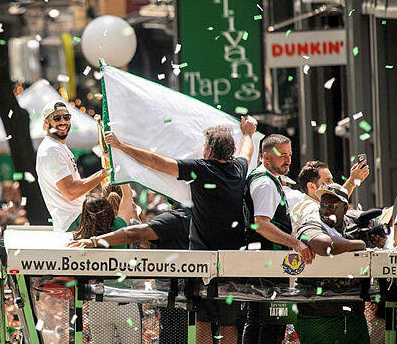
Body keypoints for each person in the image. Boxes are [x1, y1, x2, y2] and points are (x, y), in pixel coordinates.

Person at [104, 117, 257, 344]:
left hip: (201, 262)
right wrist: (248, 134)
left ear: (208, 150)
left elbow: (156, 161)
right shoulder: (238, 168)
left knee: (203, 320)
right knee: (228, 323)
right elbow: (247, 152)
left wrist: (120, 146)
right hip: (232, 260)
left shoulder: (200, 169)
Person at [242, 134, 313, 344]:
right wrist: (297, 243)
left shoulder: (263, 177)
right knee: (273, 323)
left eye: (289, 155)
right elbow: (261, 224)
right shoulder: (265, 183)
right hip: (269, 264)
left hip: (265, 263)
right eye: (282, 155)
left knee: (259, 320)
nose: (288, 160)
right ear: (266, 156)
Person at [292, 184, 385, 343]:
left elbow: (378, 225)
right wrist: (361, 244)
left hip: (352, 312)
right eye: (322, 205)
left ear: (345, 209)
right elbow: (325, 246)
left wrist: (378, 237)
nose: (326, 210)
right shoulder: (311, 222)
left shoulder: (354, 222)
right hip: (317, 313)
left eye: (332, 206)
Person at [70, 191, 141, 343]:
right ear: (108, 208)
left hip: (97, 302)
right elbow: (127, 197)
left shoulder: (81, 236)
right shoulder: (118, 227)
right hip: (125, 300)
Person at [35, 101, 109, 231]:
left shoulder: (58, 147)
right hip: (73, 221)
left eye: (66, 117)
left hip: (76, 219)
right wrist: (104, 174)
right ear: (46, 123)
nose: (63, 122)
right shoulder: (52, 150)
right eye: (57, 118)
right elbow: (70, 192)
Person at [290, 160, 369, 233]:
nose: (332, 184)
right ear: (311, 186)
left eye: (332, 180)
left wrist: (352, 182)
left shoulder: (314, 205)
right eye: (327, 181)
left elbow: (337, 199)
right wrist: (351, 182)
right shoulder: (310, 208)